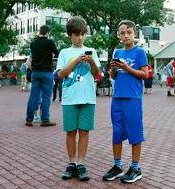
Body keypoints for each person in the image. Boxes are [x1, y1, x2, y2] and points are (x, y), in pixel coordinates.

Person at [103, 20, 148, 184]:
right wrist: (113, 68)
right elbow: (114, 76)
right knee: (117, 133)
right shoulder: (117, 53)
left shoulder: (140, 52)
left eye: (129, 32)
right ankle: (117, 166)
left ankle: (135, 168)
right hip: (117, 98)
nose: (126, 35)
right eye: (122, 33)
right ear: (119, 35)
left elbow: (145, 74)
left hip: (133, 98)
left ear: (134, 33)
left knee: (135, 133)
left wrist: (127, 68)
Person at [56, 16, 100, 182]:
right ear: (70, 35)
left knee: (84, 131)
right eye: (76, 34)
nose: (80, 38)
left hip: (88, 98)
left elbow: (97, 75)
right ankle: (71, 162)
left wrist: (91, 62)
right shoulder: (64, 53)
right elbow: (61, 74)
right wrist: (76, 60)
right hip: (69, 99)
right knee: (70, 132)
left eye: (82, 34)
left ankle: (81, 163)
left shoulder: (92, 51)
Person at [25, 25, 59, 127]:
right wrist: (51, 55)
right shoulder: (49, 42)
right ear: (47, 32)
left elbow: (33, 56)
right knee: (46, 97)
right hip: (46, 72)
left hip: (35, 72)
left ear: (40, 31)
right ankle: (45, 119)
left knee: (33, 96)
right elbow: (56, 53)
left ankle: (29, 119)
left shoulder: (33, 44)